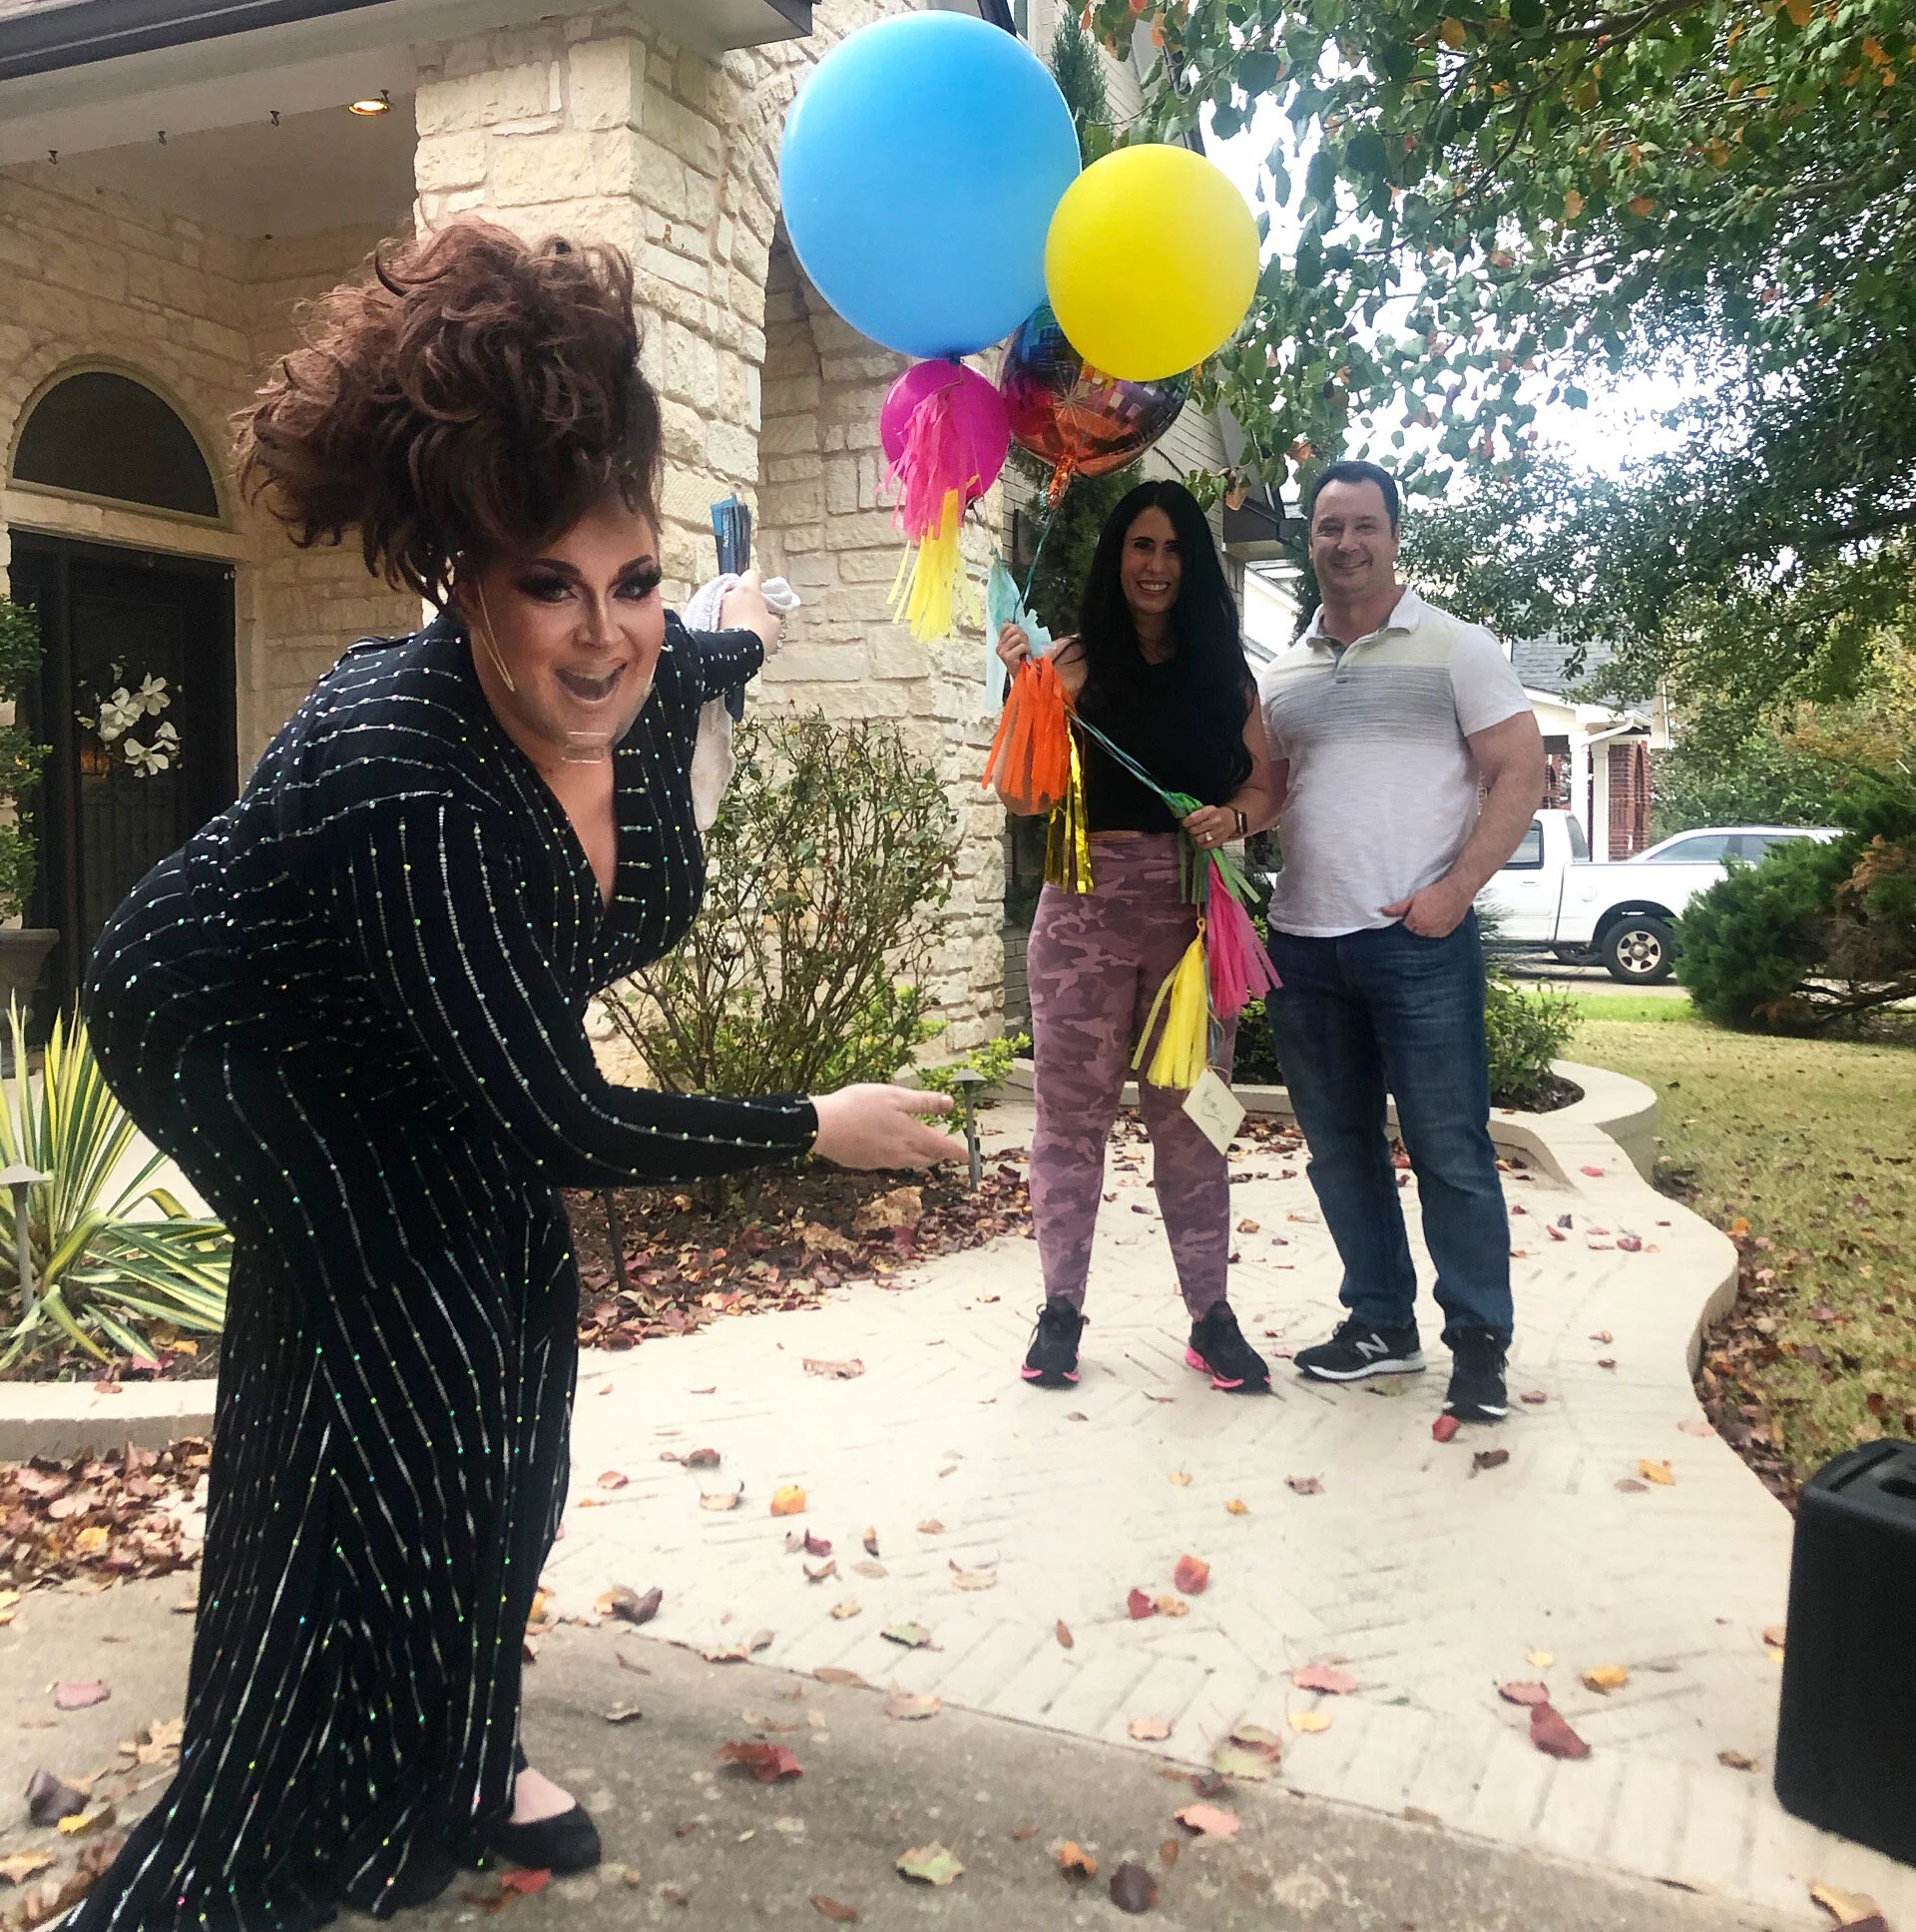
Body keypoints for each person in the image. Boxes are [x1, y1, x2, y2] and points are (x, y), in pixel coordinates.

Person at [73, 222, 953, 1930]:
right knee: (381, 1397)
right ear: (465, 585)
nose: (605, 635)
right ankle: (256, 1831)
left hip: (424, 1024)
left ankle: (464, 1755)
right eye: (553, 586)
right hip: (242, 1038)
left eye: (632, 580)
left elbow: (703, 643)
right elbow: (554, 1115)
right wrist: (812, 1127)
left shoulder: (639, 671)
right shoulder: (411, 773)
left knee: (520, 1377)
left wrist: (732, 622)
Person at [1253, 460, 1544, 1423]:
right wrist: (1219, 818)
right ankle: (1380, 1324)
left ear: (1393, 535)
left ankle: (1479, 1344)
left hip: (1417, 943)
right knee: (1340, 1153)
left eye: (1363, 525)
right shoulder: (1284, 674)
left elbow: (1520, 772)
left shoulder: (1458, 648)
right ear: (1310, 540)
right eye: (1329, 526)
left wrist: (1456, 892)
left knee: (1449, 1149)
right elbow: (1267, 794)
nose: (1346, 543)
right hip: (1304, 947)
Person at [996, 480, 1275, 1393]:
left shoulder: (1226, 675)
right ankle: (1059, 1313)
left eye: (1174, 549)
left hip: (1193, 928)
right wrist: (1029, 695)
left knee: (1196, 1124)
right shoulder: (1070, 666)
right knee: (1068, 1125)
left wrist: (1234, 820)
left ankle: (1211, 1317)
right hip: (1082, 920)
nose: (1157, 566)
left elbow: (1267, 787)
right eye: (1141, 546)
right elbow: (1023, 797)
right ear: (1116, 558)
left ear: (1194, 565)